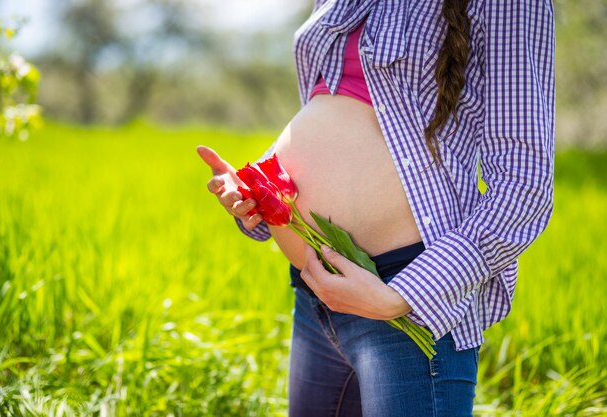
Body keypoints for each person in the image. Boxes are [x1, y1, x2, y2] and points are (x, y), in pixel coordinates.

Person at [197, 0, 555, 415]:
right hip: (314, 294)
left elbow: (523, 184)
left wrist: (405, 295)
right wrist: (253, 191)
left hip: (406, 298)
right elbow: (331, 108)